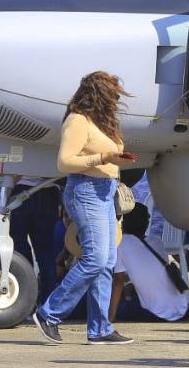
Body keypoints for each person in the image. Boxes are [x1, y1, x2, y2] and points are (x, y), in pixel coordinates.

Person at [32, 71, 136, 346]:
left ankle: (100, 328)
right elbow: (65, 162)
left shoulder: (101, 123)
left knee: (107, 261)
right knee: (96, 258)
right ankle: (49, 313)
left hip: (105, 192)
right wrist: (103, 156)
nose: (116, 100)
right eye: (112, 94)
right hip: (86, 190)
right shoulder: (77, 120)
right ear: (97, 95)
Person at [108, 212, 189, 323]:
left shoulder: (122, 243)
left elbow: (119, 281)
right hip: (183, 309)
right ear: (146, 224)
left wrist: (111, 317)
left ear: (124, 223)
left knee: (110, 304)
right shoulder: (157, 241)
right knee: (132, 290)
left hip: (156, 314)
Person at [10, 176, 63, 307]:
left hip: (22, 190)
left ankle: (25, 299)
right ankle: (46, 304)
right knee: (46, 253)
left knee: (19, 249)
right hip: (49, 190)